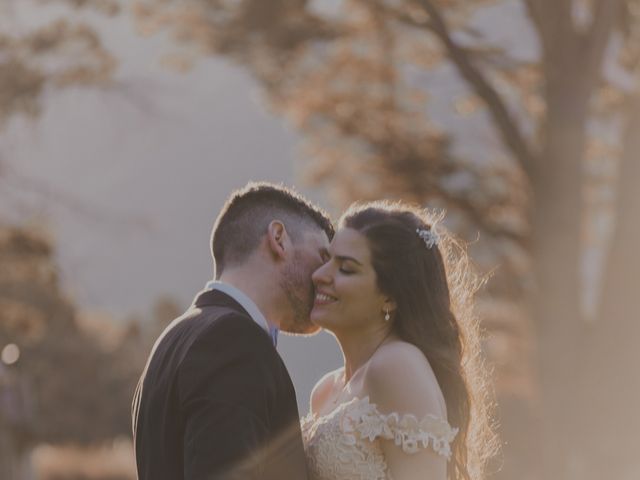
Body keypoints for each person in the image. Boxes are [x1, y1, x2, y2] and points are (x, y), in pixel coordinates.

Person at [132, 182, 334, 480]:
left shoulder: (175, 336)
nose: (326, 276)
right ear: (279, 239)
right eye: (323, 257)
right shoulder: (235, 343)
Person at [301, 201, 496, 480]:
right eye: (326, 260)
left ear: (390, 297)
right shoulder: (324, 391)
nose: (319, 276)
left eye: (346, 268)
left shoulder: (397, 366)